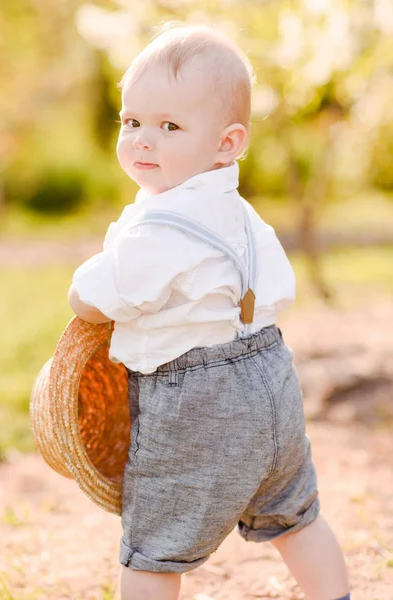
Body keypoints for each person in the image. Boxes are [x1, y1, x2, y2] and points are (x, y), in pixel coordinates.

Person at [68, 23, 351, 600]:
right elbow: (277, 291)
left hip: (195, 403)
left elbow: (101, 298)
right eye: (132, 122)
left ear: (227, 143)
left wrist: (82, 287)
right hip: (271, 384)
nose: (143, 140)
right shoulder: (242, 215)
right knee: (296, 516)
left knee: (155, 549)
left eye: (169, 126)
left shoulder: (161, 224)